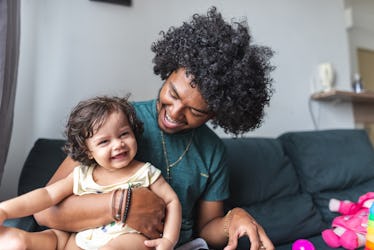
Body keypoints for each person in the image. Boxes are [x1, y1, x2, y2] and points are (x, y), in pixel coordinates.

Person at [31, 6, 273, 250]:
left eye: (196, 111)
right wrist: (122, 206)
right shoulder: (116, 124)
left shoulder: (212, 151)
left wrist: (233, 219)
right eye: (172, 93)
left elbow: (206, 228)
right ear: (167, 72)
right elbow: (44, 210)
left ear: (217, 113)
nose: (175, 113)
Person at [0, 95, 182, 250]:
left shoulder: (145, 172)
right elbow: (47, 195)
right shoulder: (82, 174)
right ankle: (22, 241)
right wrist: (6, 210)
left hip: (126, 239)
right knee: (55, 239)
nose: (118, 144)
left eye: (124, 134)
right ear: (88, 151)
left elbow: (172, 201)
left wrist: (168, 240)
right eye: (104, 142)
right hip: (82, 238)